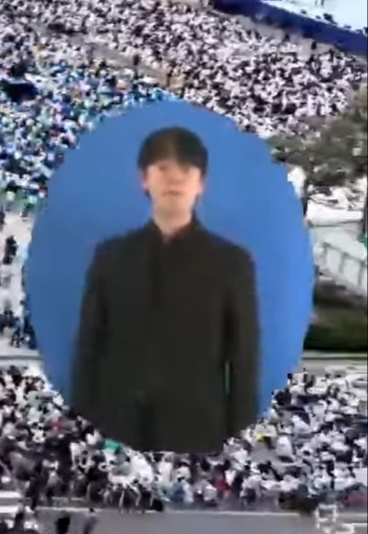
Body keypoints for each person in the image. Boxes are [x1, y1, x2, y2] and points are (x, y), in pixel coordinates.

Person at [71, 125, 261, 454]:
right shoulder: (111, 256)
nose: (174, 179)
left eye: (185, 169)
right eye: (162, 168)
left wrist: (236, 433)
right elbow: (88, 346)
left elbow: (244, 358)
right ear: (144, 179)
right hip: (117, 422)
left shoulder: (232, 263)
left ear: (201, 183)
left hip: (197, 429)